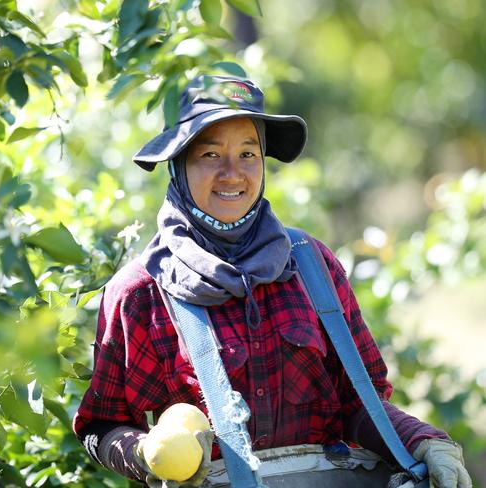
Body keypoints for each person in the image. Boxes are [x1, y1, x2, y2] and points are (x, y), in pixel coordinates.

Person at [72, 75, 472, 488]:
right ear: (178, 164)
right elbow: (100, 426)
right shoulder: (141, 293)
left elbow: (360, 402)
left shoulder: (312, 266)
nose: (232, 173)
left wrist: (425, 442)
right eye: (210, 154)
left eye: (248, 153)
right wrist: (146, 454)